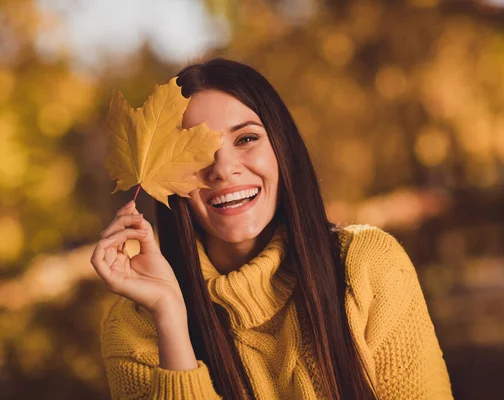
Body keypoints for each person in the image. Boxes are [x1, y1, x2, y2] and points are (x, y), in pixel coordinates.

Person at [90, 58, 453, 400]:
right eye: (195, 153)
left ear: (282, 148)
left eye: (246, 139)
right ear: (166, 179)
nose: (223, 168)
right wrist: (169, 313)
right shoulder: (133, 330)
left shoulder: (369, 266)